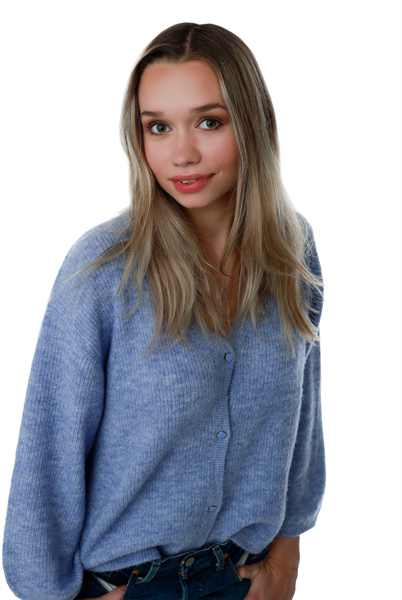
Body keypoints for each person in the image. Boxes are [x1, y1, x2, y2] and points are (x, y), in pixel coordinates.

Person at [2, 22, 325, 600]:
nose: (182, 154)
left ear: (252, 123)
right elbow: (48, 455)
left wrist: (287, 558)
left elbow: (303, 420)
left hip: (245, 579)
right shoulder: (104, 269)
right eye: (158, 127)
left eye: (209, 122)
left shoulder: (291, 249)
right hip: (127, 588)